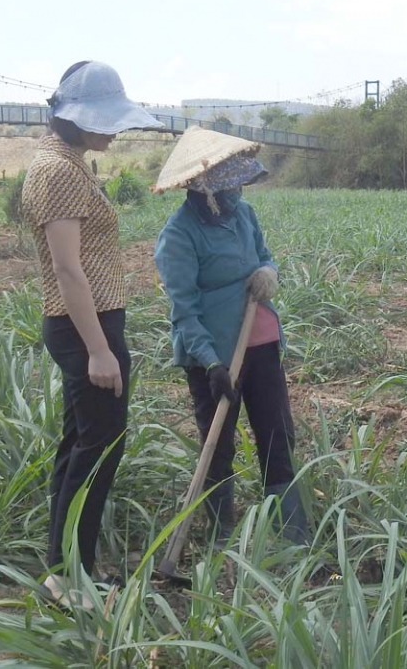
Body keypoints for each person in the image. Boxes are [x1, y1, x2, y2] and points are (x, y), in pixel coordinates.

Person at [20, 60, 160, 603]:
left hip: (89, 323)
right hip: (86, 328)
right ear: (73, 118)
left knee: (81, 444)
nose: (113, 129)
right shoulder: (56, 170)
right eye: (104, 119)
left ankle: (65, 566)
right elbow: (66, 269)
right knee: (100, 448)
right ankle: (69, 576)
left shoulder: (67, 161)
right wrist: (100, 351)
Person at [153, 126, 307, 545]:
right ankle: (221, 537)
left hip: (260, 341)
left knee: (277, 435)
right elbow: (184, 309)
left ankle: (293, 535)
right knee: (217, 449)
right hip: (214, 355)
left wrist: (268, 271)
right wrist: (211, 363)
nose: (238, 191)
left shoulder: (244, 215)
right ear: (205, 188)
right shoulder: (178, 236)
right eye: (230, 185)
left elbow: (263, 255)